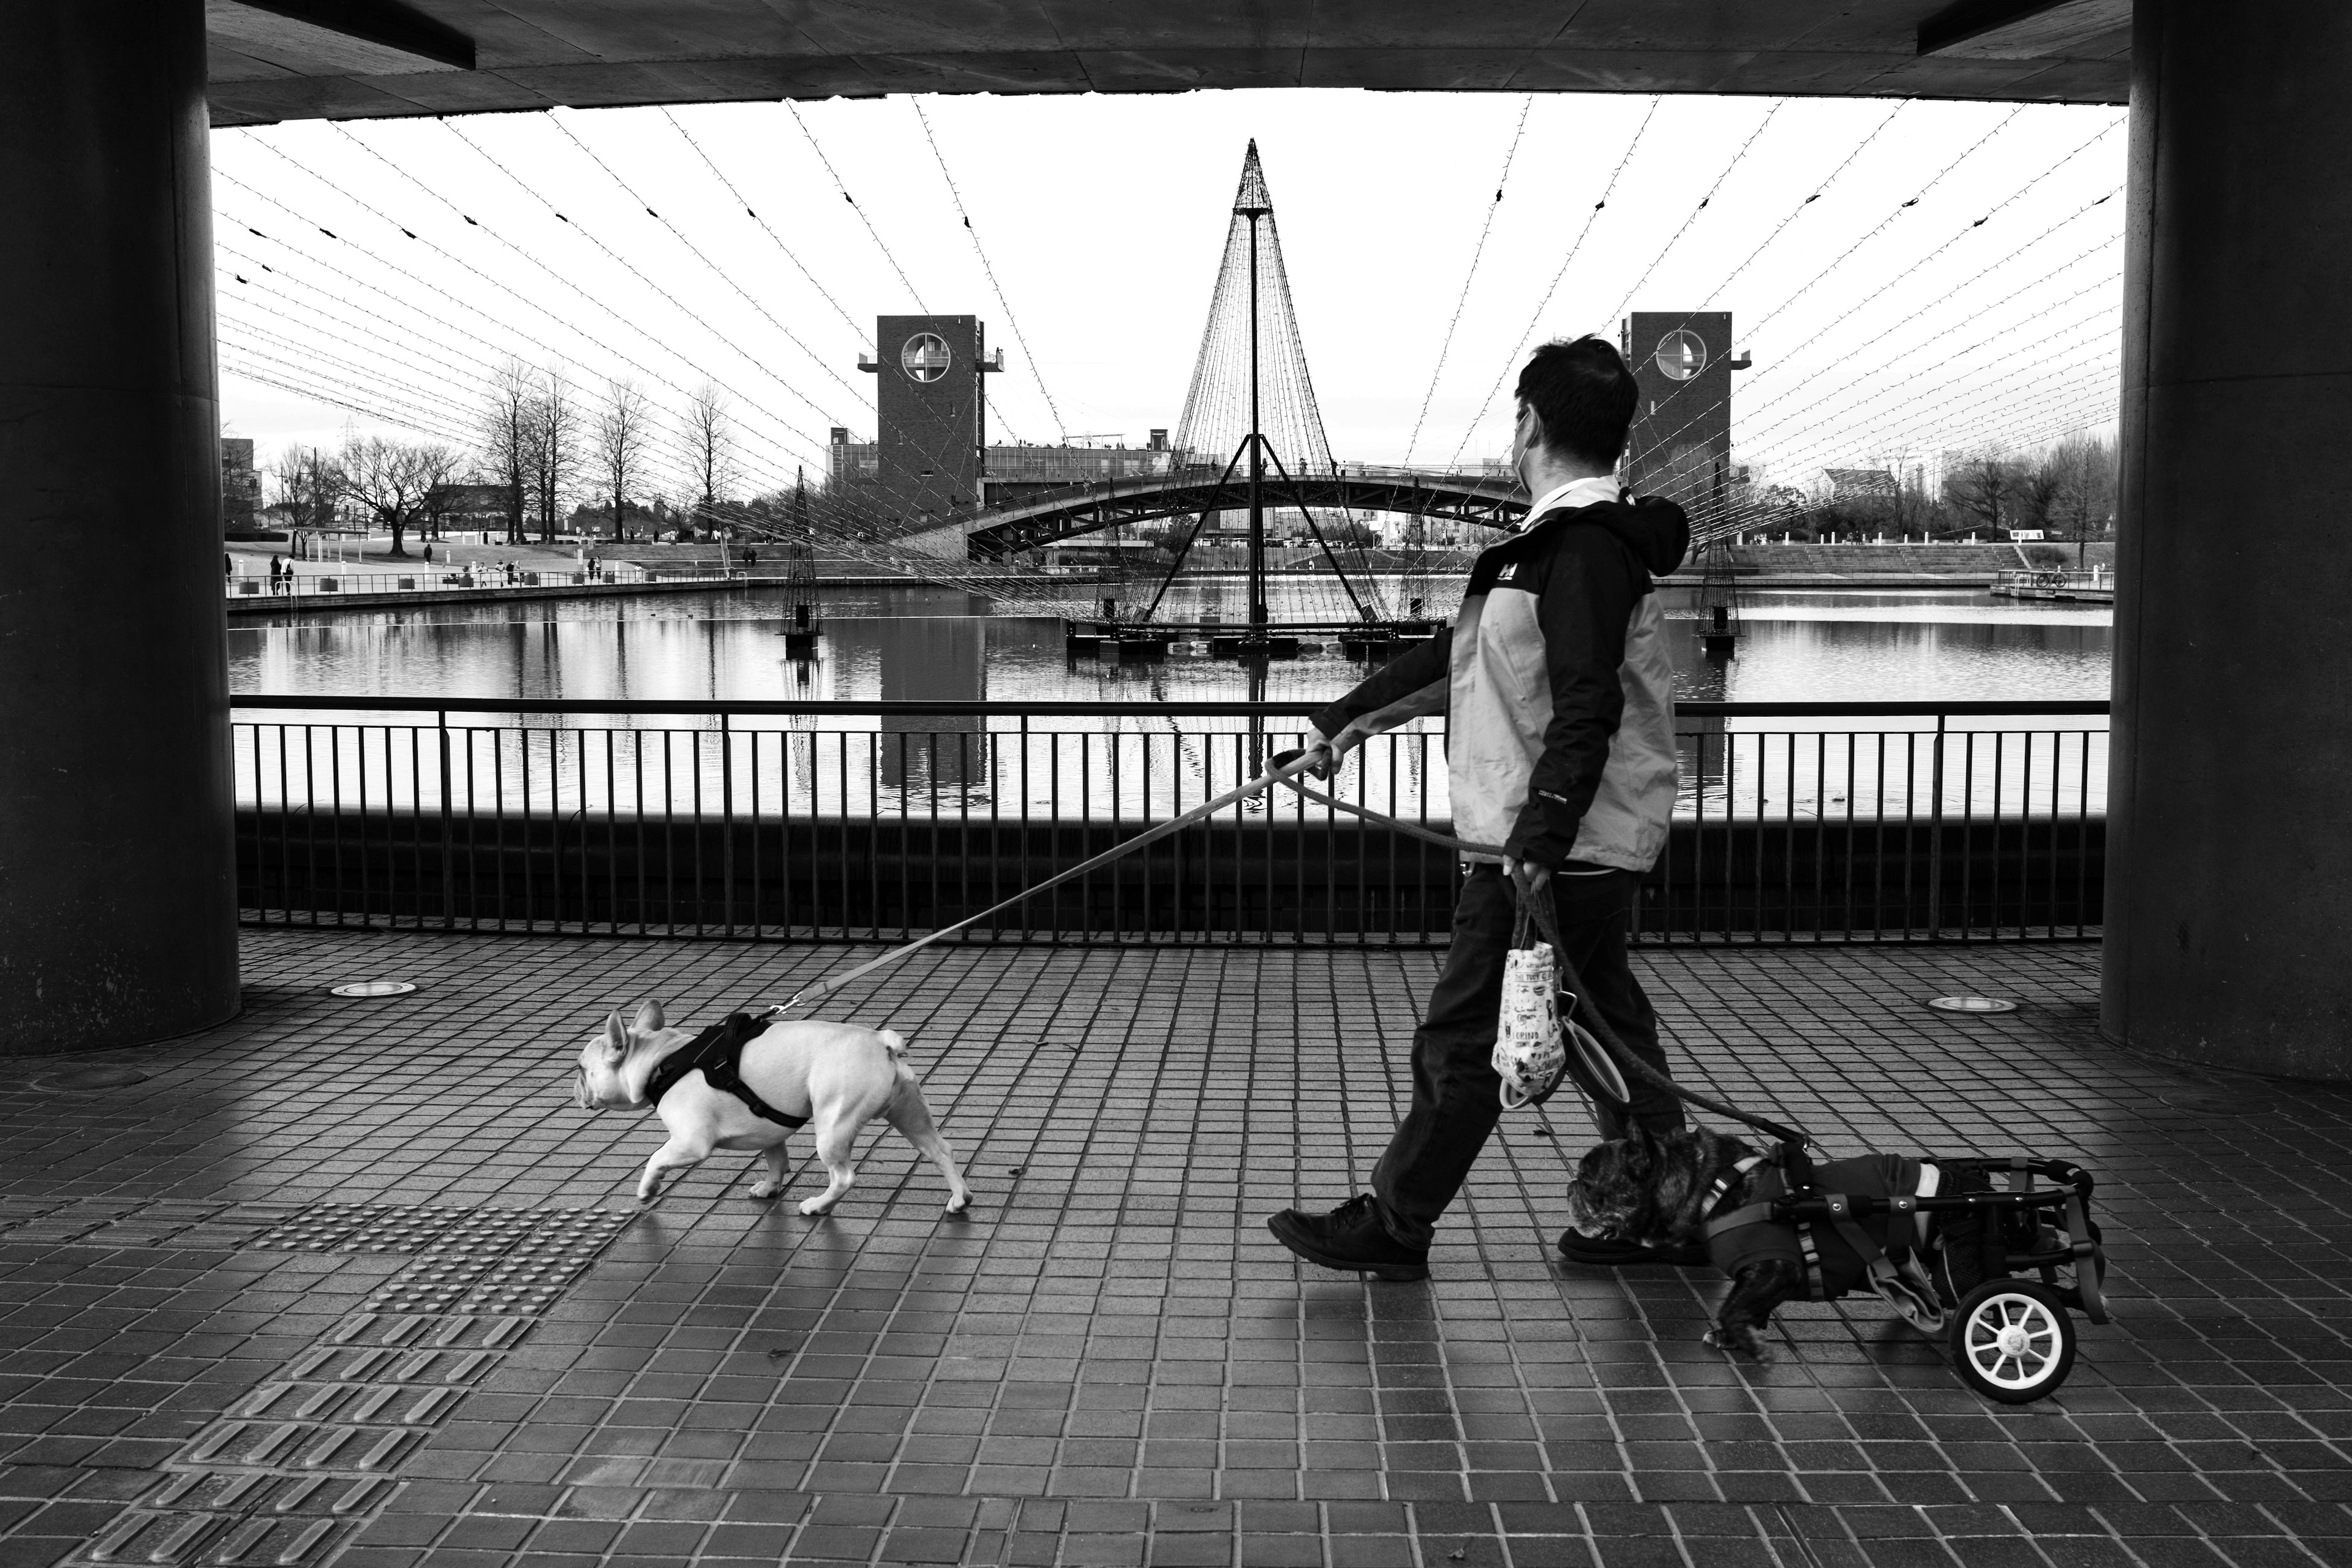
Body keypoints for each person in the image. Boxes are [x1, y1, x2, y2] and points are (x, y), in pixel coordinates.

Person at [1265, 335, 1692, 1283]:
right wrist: (1340, 724)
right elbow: (1460, 666)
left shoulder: (1580, 551)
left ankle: (1398, 1220)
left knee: (1463, 1036)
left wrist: (1538, 836)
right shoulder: (1551, 551)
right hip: (1564, 844)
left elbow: (1589, 705)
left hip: (1546, 852)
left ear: (1529, 424)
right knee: (1606, 1031)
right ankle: (1675, 1207)